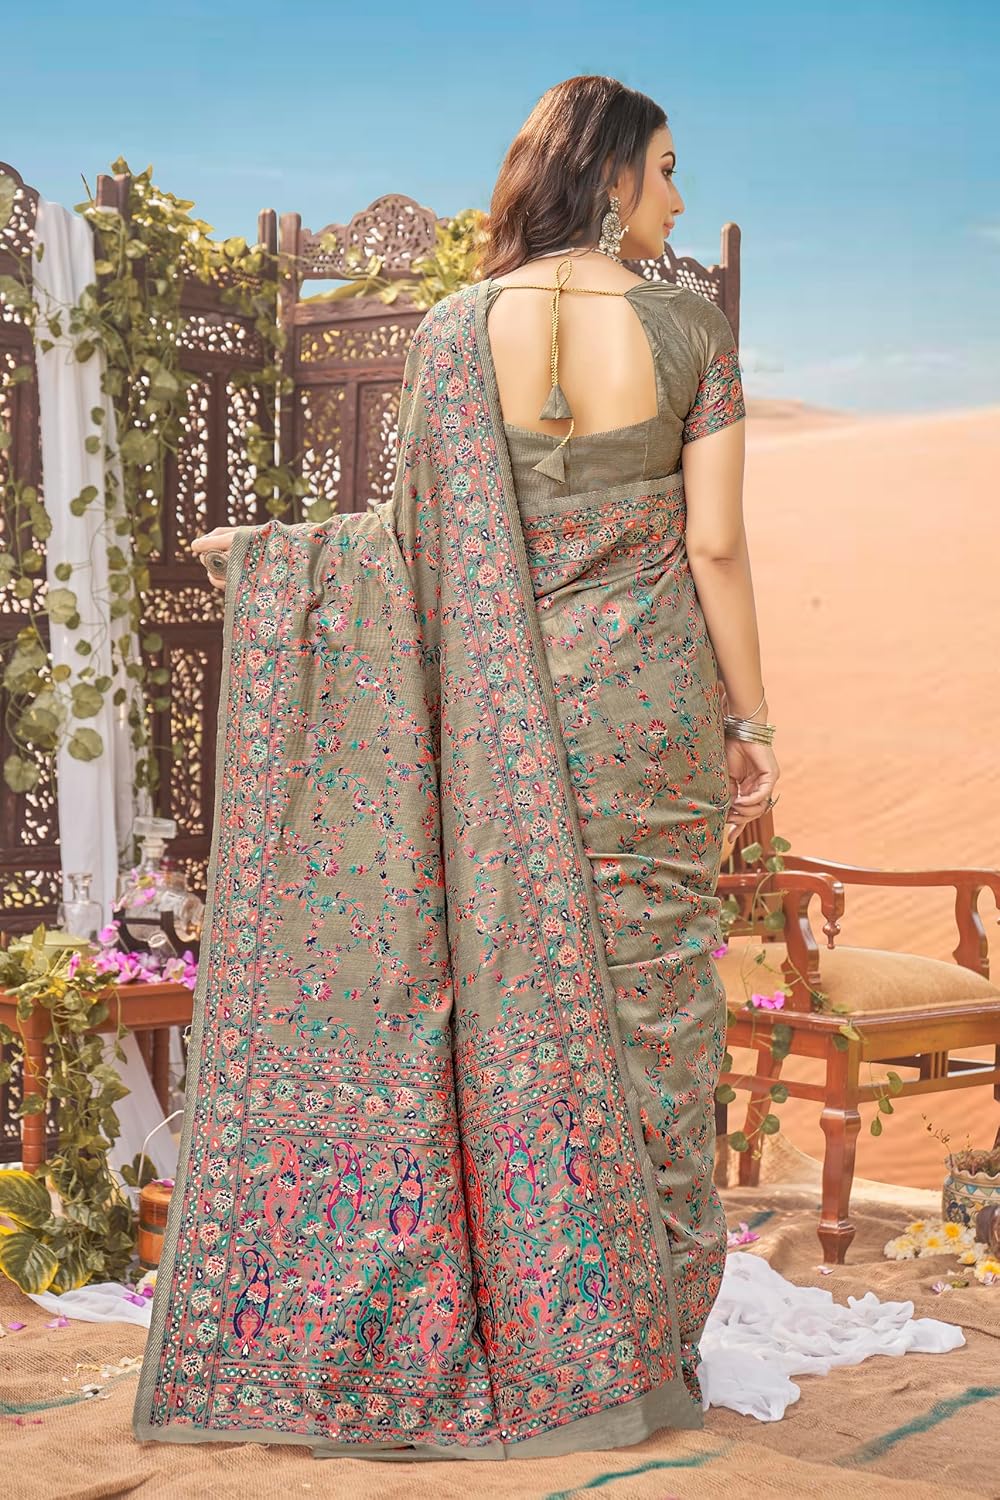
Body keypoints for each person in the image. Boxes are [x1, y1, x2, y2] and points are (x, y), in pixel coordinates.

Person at [134, 75, 779, 1461]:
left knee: (511, 1011)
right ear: (612, 175)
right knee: (655, 1017)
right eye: (668, 170)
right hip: (647, 715)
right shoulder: (689, 328)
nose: (679, 199)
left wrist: (278, 559)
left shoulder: (449, 331)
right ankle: (646, 1346)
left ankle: (543, 1333)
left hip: (498, 720)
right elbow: (718, 547)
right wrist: (757, 725)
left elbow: (411, 544)